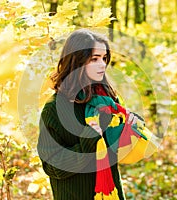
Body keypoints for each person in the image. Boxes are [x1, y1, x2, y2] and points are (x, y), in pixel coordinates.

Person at [37, 29, 139, 200]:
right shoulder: (53, 109)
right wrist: (88, 139)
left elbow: (117, 153)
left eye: (104, 58)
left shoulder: (109, 99)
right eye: (94, 59)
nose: (102, 64)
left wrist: (129, 130)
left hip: (111, 193)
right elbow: (52, 167)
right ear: (76, 61)